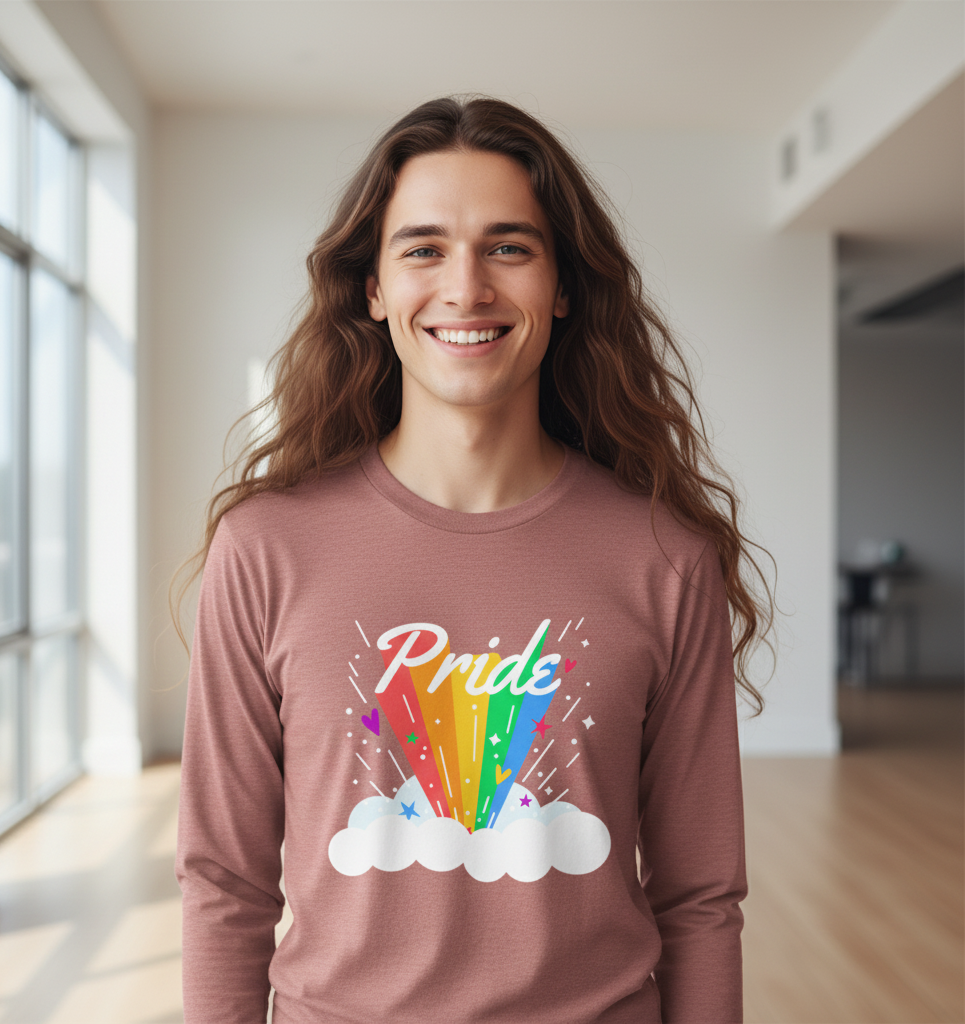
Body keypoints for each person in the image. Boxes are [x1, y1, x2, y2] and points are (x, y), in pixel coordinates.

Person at [174, 95, 772, 1024]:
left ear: (562, 285)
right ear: (371, 289)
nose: (466, 289)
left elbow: (700, 899)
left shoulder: (665, 557)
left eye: (509, 247)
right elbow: (222, 881)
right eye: (423, 249)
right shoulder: (266, 548)